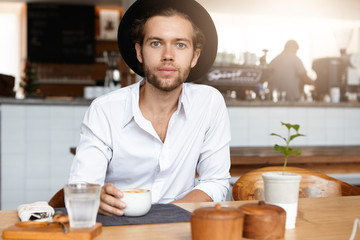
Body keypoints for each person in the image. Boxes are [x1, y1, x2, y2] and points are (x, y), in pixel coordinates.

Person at [68, 0, 231, 216]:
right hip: (118, 225)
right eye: (156, 43)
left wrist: (164, 217)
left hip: (180, 224)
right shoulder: (105, 111)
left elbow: (216, 182)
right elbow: (82, 186)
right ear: (139, 52)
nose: (168, 55)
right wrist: (96, 196)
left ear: (195, 56)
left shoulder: (209, 103)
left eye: (180, 44)